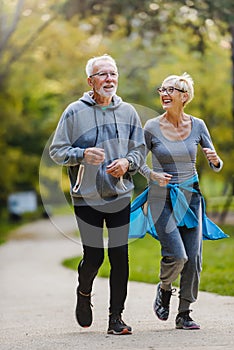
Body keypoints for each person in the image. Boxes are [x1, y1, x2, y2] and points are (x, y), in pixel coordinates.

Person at [49, 54, 145, 335]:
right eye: (102, 74)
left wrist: (128, 163)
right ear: (90, 81)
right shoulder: (73, 112)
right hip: (86, 197)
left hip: (119, 194)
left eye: (113, 73)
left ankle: (116, 318)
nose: (109, 79)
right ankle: (83, 293)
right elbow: (57, 151)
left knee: (120, 256)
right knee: (94, 257)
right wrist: (81, 154)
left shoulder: (128, 111)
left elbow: (139, 150)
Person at [139, 72, 223, 330]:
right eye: (161, 89)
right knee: (177, 255)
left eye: (170, 90)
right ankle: (165, 288)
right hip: (161, 198)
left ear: (184, 96)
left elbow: (216, 163)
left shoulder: (197, 125)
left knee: (194, 258)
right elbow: (136, 161)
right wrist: (151, 174)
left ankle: (184, 313)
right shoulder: (152, 127)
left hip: (191, 197)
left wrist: (216, 160)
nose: (164, 94)